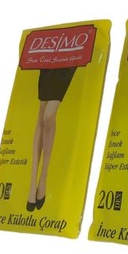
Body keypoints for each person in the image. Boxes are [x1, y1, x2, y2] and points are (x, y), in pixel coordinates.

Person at [26, 67, 76, 212]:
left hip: (68, 60)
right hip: (50, 58)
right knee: (42, 112)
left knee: (49, 114)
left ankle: (43, 177)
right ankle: (32, 184)